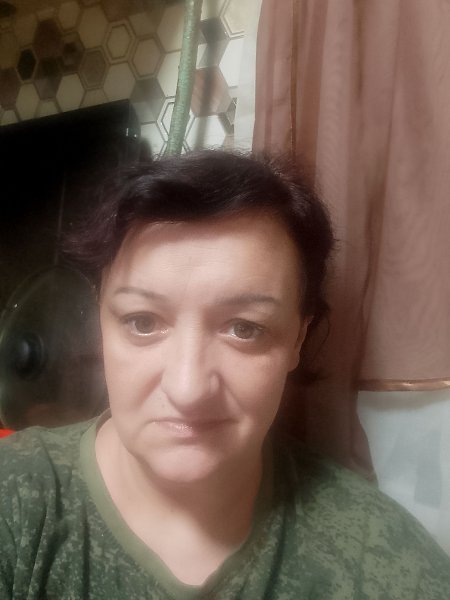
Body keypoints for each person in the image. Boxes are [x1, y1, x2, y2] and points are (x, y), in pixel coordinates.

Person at [1, 150, 449, 599]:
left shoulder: (385, 561)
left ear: (298, 339)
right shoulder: (15, 500)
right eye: (143, 322)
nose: (188, 389)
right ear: (101, 322)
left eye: (244, 329)